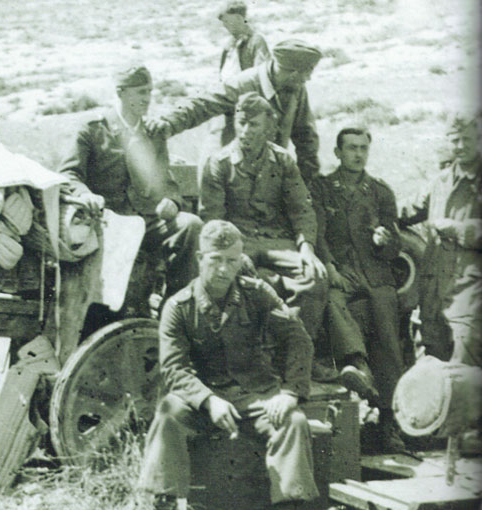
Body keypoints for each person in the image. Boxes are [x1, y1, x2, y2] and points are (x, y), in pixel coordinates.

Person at [136, 220, 327, 510]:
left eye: (232, 260)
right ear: (200, 258)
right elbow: (174, 369)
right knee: (168, 412)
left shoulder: (258, 294)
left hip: (256, 396)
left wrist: (290, 393)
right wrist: (208, 400)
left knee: (293, 421)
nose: (224, 269)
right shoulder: (178, 307)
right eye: (216, 260)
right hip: (202, 400)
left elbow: (298, 340)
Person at [199, 92, 331, 380]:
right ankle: (257, 362)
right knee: (245, 282)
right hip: (237, 243)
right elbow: (213, 220)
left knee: (314, 276)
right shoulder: (219, 163)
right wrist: (233, 254)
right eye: (241, 122)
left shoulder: (282, 161)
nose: (245, 130)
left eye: (253, 124)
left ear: (270, 127)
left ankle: (296, 356)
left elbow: (301, 208)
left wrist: (306, 248)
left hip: (276, 241)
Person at [57, 64, 202, 312]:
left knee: (191, 225)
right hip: (107, 222)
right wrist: (85, 194)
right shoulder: (93, 130)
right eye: (141, 92)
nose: (148, 99)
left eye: (150, 91)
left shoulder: (153, 134)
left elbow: (166, 182)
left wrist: (172, 201)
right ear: (121, 93)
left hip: (147, 221)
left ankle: (176, 309)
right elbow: (69, 174)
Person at [311, 127, 405, 452]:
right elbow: (317, 233)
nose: (358, 154)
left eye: (363, 148)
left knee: (387, 332)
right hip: (342, 270)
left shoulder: (380, 192)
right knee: (333, 300)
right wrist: (330, 267)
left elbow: (394, 245)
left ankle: (389, 421)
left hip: (375, 273)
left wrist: (385, 241)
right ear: (338, 152)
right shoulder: (322, 188)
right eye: (351, 148)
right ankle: (357, 364)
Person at [149, 40, 322, 185]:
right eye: (306, 73)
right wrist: (170, 121)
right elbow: (202, 104)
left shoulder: (296, 89)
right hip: (227, 175)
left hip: (266, 175)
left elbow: (306, 136)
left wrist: (308, 181)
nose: (308, 78)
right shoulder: (242, 84)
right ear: (293, 73)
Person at [401, 114, 482, 367]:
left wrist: (460, 230)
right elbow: (409, 210)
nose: (461, 145)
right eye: (455, 140)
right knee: (432, 355)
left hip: (470, 287)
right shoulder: (441, 181)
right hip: (434, 286)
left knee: (465, 357)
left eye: (467, 139)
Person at [216, 1, 270, 82]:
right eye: (223, 22)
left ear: (239, 18)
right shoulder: (229, 43)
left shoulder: (256, 41)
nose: (224, 25)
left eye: (227, 21)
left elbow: (261, 73)